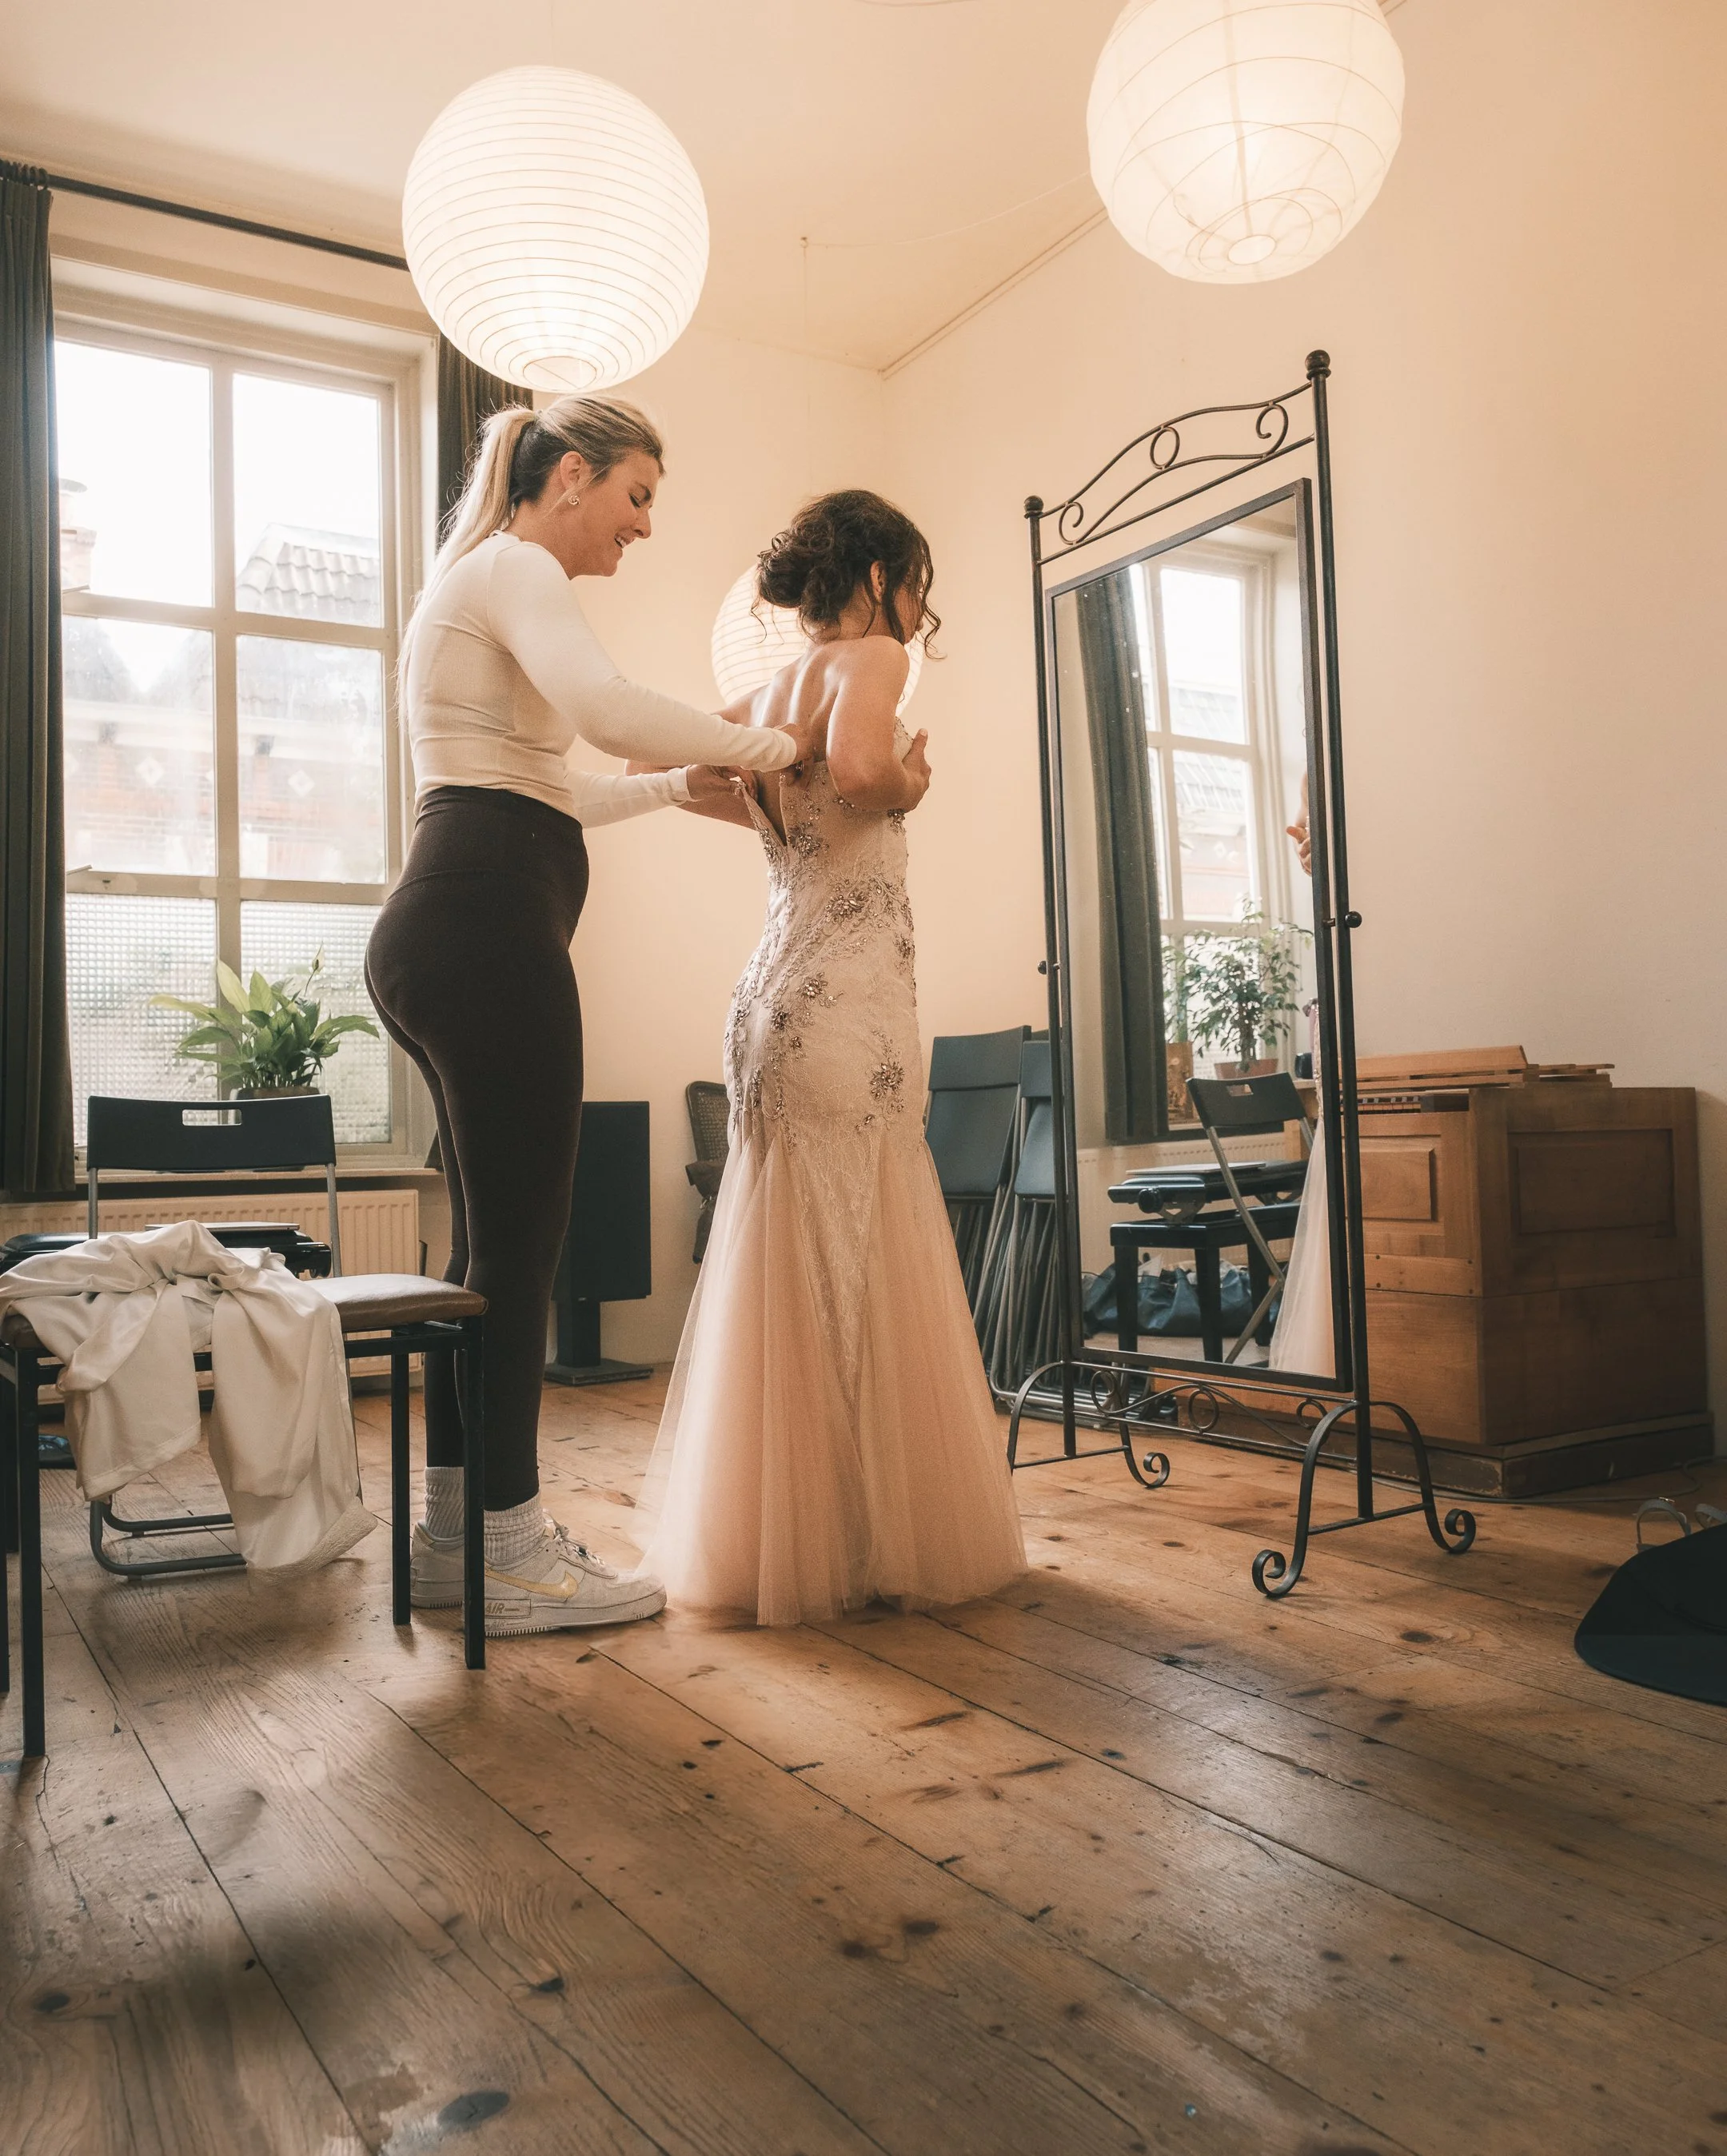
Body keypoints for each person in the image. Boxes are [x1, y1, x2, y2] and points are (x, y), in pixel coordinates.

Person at [365, 395, 817, 1638]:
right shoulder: (514, 565)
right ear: (570, 474)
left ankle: (456, 1539)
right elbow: (608, 707)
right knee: (521, 1251)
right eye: (638, 497)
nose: (646, 527)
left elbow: (549, 782)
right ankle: (510, 1546)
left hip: (449, 924)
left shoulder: (479, 580)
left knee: (485, 1253)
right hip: (485, 931)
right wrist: (776, 746)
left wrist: (672, 786)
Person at [638, 490, 1027, 1624]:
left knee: (784, 1247)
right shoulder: (874, 659)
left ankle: (780, 1535)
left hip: (767, 996)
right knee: (862, 1235)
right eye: (915, 585)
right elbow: (860, 774)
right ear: (878, 577)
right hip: (848, 997)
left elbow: (694, 775)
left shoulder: (770, 696)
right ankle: (866, 1535)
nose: (916, 611)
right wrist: (909, 784)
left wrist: (781, 799)